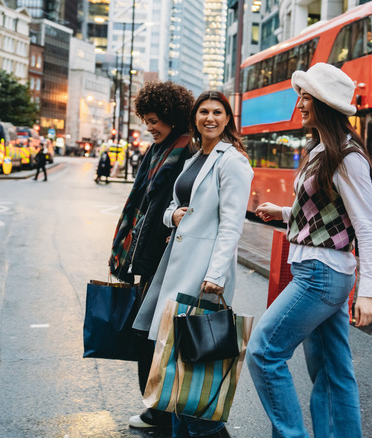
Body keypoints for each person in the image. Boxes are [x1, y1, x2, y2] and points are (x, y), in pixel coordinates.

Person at [246, 63, 372, 438]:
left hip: (321, 274)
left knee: (263, 352)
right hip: (324, 272)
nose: (300, 103)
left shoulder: (346, 157)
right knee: (333, 372)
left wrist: (369, 291)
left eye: (306, 96)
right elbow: (329, 213)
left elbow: (367, 226)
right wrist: (284, 212)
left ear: (323, 103)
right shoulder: (322, 149)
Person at [129, 90, 253, 438]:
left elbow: (231, 224)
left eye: (217, 112)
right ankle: (184, 428)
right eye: (203, 112)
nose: (209, 118)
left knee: (193, 356)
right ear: (194, 118)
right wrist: (174, 216)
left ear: (227, 119)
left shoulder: (233, 161)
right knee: (174, 355)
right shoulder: (195, 158)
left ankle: (210, 428)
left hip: (202, 272)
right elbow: (173, 207)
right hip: (176, 265)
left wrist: (215, 275)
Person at [107, 81, 195, 431]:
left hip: (168, 254)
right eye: (146, 120)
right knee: (149, 333)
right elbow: (141, 199)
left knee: (153, 335)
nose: (150, 127)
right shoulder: (158, 149)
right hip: (148, 252)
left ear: (172, 116)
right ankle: (157, 406)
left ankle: (159, 410)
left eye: (154, 119)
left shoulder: (186, 151)